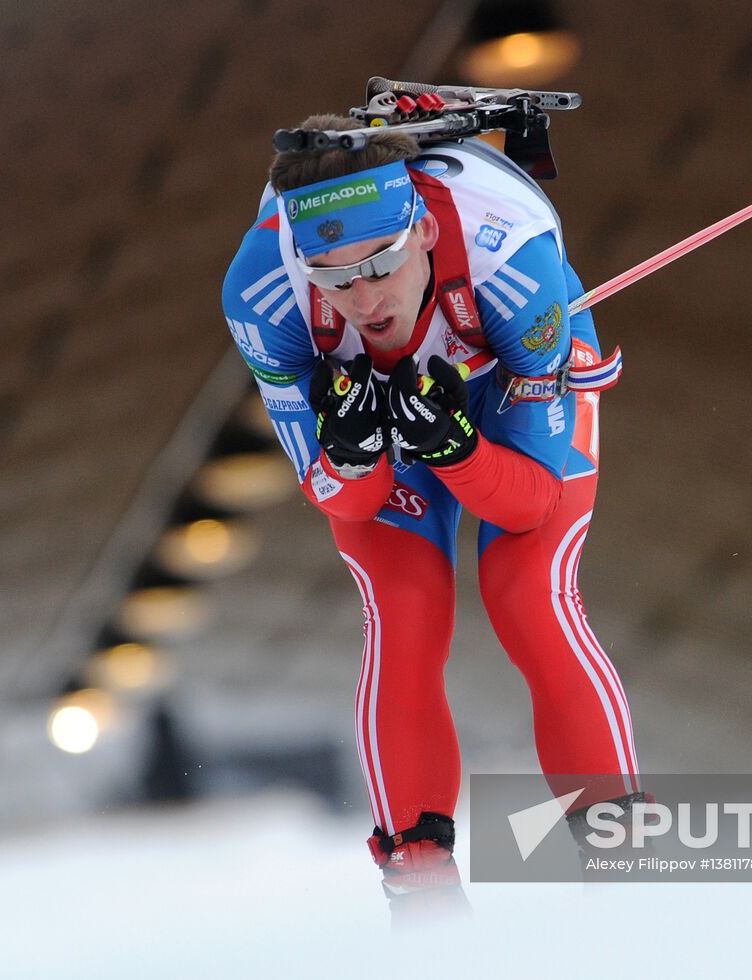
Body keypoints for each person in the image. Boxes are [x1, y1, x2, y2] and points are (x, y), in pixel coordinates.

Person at [221, 112, 642, 916]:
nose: (362, 298)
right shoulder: (264, 293)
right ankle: (418, 882)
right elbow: (339, 500)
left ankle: (623, 857)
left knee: (530, 595)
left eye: (380, 263)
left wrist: (458, 452)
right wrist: (348, 456)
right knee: (404, 610)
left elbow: (531, 503)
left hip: (505, 379)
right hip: (388, 408)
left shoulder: (514, 265)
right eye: (333, 278)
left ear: (418, 230)